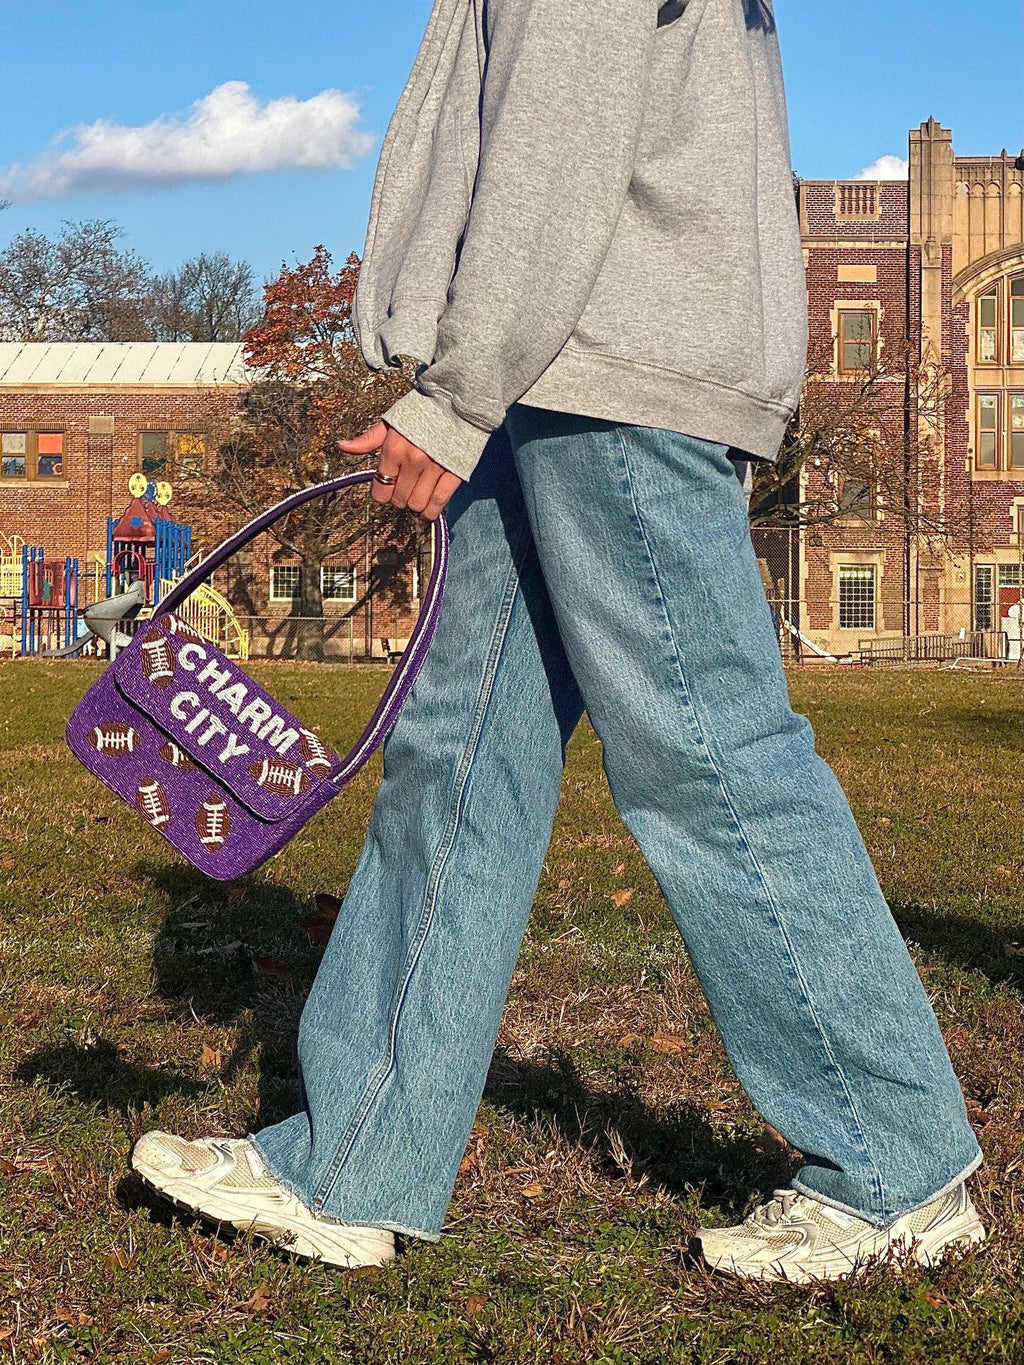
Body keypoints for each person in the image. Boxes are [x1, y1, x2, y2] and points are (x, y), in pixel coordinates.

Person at [131, 0, 986, 1282]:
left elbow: (558, 139)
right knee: (458, 761)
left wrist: (454, 393)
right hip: (557, 376)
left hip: (609, 378)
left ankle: (895, 1165)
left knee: (710, 760)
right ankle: (356, 1161)